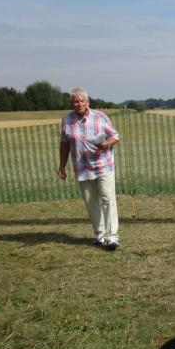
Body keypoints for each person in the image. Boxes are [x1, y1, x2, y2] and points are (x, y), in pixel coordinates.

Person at [58, 87, 121, 250]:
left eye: (82, 101)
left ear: (88, 102)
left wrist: (106, 144)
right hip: (82, 167)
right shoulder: (67, 120)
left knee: (108, 199)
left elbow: (115, 135)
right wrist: (62, 166)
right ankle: (100, 235)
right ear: (71, 103)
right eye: (76, 101)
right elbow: (64, 144)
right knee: (90, 201)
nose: (79, 104)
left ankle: (112, 237)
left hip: (103, 165)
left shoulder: (100, 117)